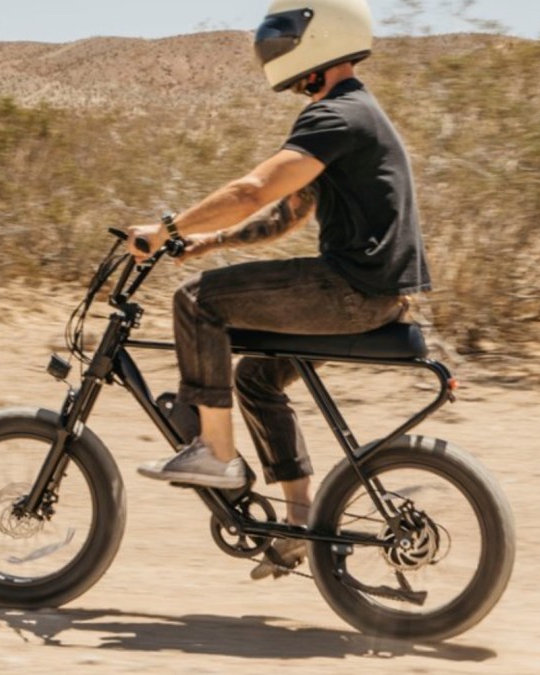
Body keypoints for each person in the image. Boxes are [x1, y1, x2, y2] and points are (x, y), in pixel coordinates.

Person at [129, 0, 431, 579]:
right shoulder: (350, 114)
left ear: (322, 39)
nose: (273, 43)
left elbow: (254, 191)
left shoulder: (336, 117)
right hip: (373, 291)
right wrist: (208, 241)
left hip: (349, 290)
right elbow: (289, 213)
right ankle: (299, 522)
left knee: (198, 302)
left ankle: (216, 455)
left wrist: (165, 229)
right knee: (256, 377)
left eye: (284, 31)